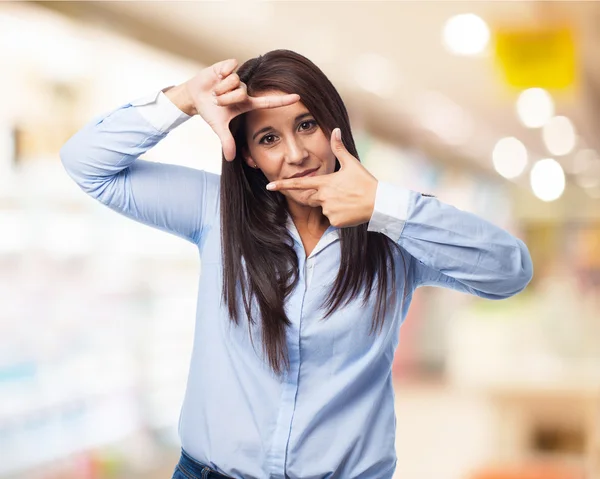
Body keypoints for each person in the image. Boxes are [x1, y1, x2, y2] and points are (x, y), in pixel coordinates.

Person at [60, 49, 533, 479]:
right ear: (247, 154)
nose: (296, 153)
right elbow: (86, 164)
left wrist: (386, 206)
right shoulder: (216, 213)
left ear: (336, 126)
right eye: (269, 138)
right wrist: (184, 98)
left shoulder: (395, 232)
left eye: (306, 125)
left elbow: (509, 272)